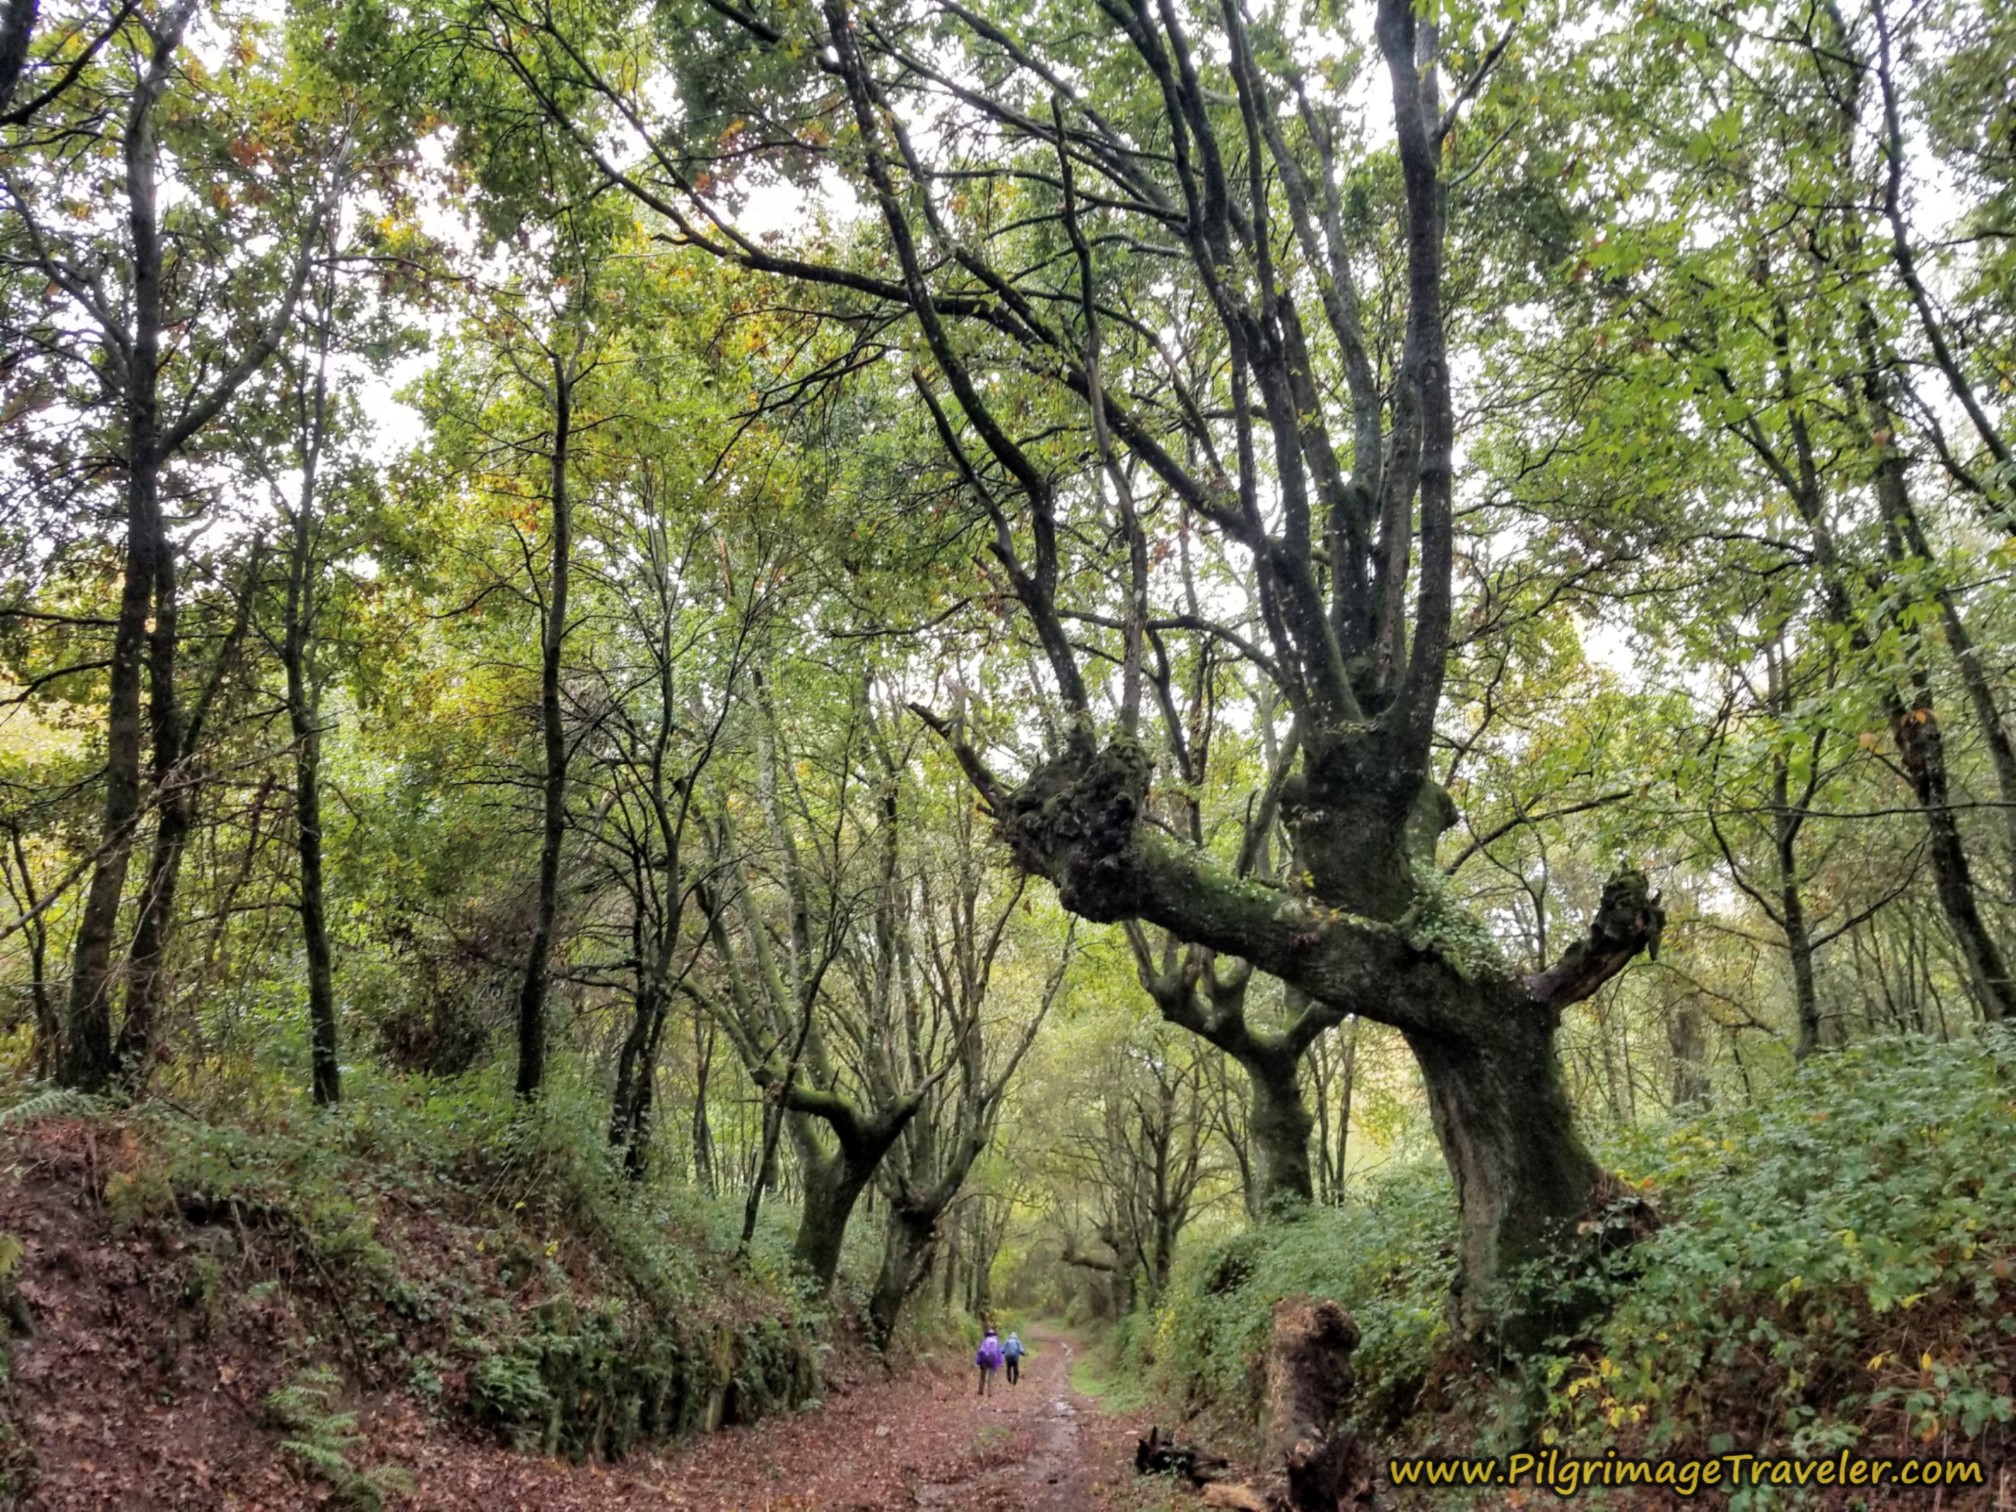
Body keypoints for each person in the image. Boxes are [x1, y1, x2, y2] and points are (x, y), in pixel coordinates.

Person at [976, 1325, 1004, 1396]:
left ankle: (980, 1390)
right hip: (992, 1359)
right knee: (991, 1376)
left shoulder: (985, 1341)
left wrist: (978, 1361)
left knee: (982, 1375)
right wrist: (999, 1362)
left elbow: (981, 1351)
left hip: (984, 1359)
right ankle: (990, 1392)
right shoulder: (996, 1341)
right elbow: (998, 1353)